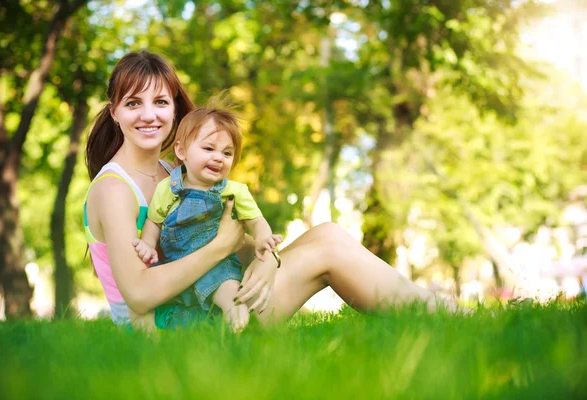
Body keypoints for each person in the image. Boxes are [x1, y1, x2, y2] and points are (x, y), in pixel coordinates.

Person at [84, 50, 462, 331]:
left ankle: (439, 315)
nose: (149, 115)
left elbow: (231, 233)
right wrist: (220, 248)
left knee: (327, 234)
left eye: (161, 102)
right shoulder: (114, 189)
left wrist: (267, 261)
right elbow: (138, 292)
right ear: (114, 111)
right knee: (328, 246)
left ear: (175, 111)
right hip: (176, 330)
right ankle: (445, 317)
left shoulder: (175, 173)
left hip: (212, 301)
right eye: (134, 103)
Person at [131, 99, 283, 331]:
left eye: (227, 153)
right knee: (180, 311)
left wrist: (263, 238)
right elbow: (155, 221)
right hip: (178, 268)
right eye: (209, 149)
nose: (218, 157)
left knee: (226, 287)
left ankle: (236, 314)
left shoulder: (233, 190)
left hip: (218, 264)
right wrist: (148, 244)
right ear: (181, 151)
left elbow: (255, 220)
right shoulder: (168, 188)